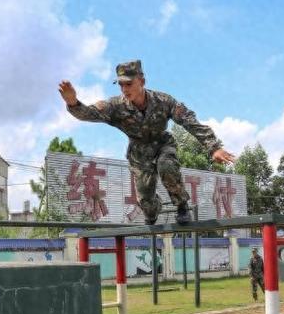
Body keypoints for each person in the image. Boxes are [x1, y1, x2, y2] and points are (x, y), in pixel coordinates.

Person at [59, 60, 235, 225]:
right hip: (139, 152)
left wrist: (213, 147)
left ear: (142, 81)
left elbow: (188, 120)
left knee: (166, 166)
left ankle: (181, 205)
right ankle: (152, 209)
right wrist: (73, 102)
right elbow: (90, 113)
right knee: (147, 205)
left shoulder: (163, 101)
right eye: (121, 85)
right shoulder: (115, 106)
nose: (124, 89)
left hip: (162, 144)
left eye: (129, 84)